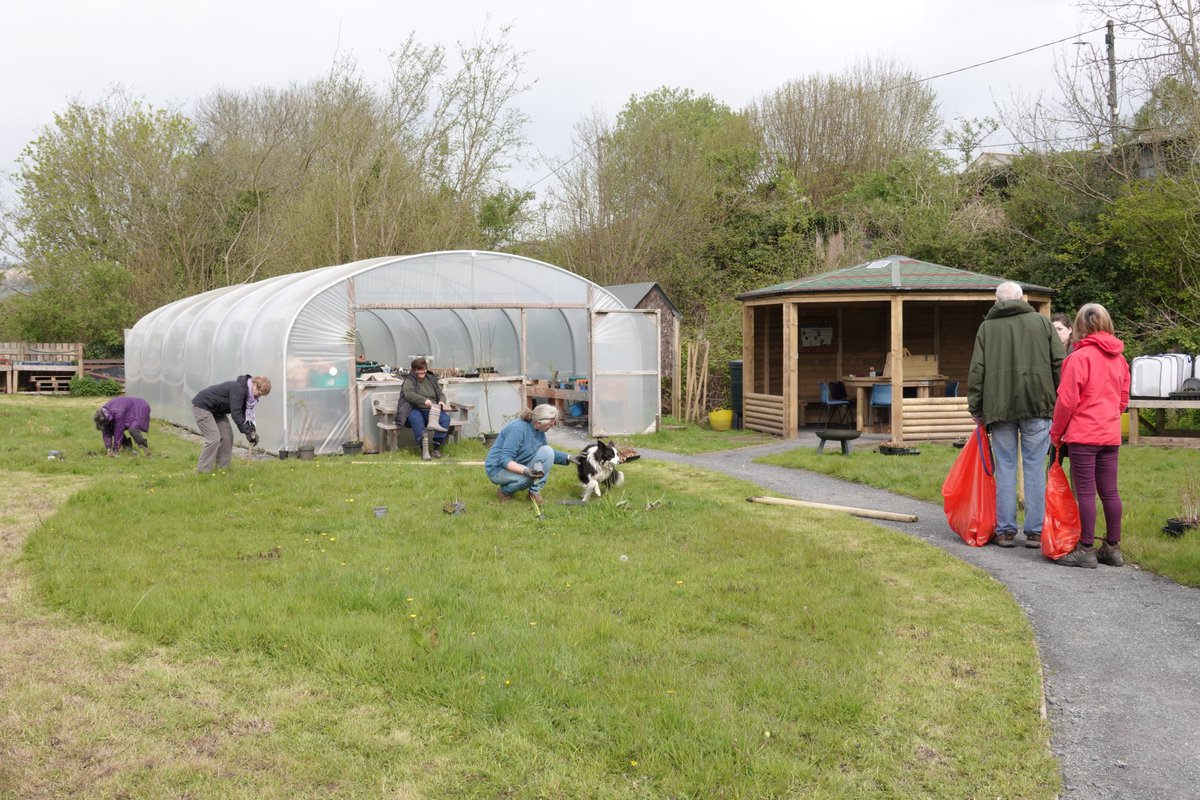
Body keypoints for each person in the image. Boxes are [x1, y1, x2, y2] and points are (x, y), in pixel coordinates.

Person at [968, 281, 1066, 548]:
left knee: (1006, 467)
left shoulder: (987, 328)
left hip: (999, 409)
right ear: (1023, 298)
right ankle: (1034, 532)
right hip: (1038, 404)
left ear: (996, 302)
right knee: (1035, 467)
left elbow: (977, 370)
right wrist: (1061, 402)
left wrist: (976, 408)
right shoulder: (1043, 323)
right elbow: (1059, 363)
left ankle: (1005, 531)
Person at [1050, 304, 1130, 568]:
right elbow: (1123, 398)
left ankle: (1085, 549)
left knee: (1085, 493)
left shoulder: (1078, 358)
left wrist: (1057, 433)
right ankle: (1112, 548)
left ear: (1080, 327)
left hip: (1084, 435)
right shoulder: (1119, 358)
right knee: (1109, 492)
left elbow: (1066, 401)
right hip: (1109, 433)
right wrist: (1109, 417)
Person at [485, 404, 576, 504]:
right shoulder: (518, 429)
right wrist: (525, 470)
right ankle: (504, 492)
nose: (552, 426)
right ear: (538, 423)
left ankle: (533, 492)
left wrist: (568, 457)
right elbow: (505, 460)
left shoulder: (539, 430)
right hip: (498, 469)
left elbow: (545, 453)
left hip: (518, 462)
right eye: (550, 424)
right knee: (527, 479)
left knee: (547, 451)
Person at [192, 375, 271, 473]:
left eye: (261, 395)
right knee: (214, 439)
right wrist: (247, 432)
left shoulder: (249, 395)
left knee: (227, 437)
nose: (258, 396)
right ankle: (202, 471)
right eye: (259, 392)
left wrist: (252, 432)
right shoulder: (239, 389)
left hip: (217, 411)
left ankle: (223, 470)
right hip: (202, 406)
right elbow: (236, 413)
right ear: (254, 385)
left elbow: (245, 414)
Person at [399, 357, 451, 460]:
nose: (422, 371)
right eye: (419, 369)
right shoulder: (409, 380)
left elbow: (440, 393)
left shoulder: (431, 379)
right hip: (414, 408)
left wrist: (442, 401)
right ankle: (424, 449)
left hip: (432, 410)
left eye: (424, 369)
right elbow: (409, 394)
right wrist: (424, 401)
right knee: (416, 419)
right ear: (414, 370)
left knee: (445, 419)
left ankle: (436, 448)